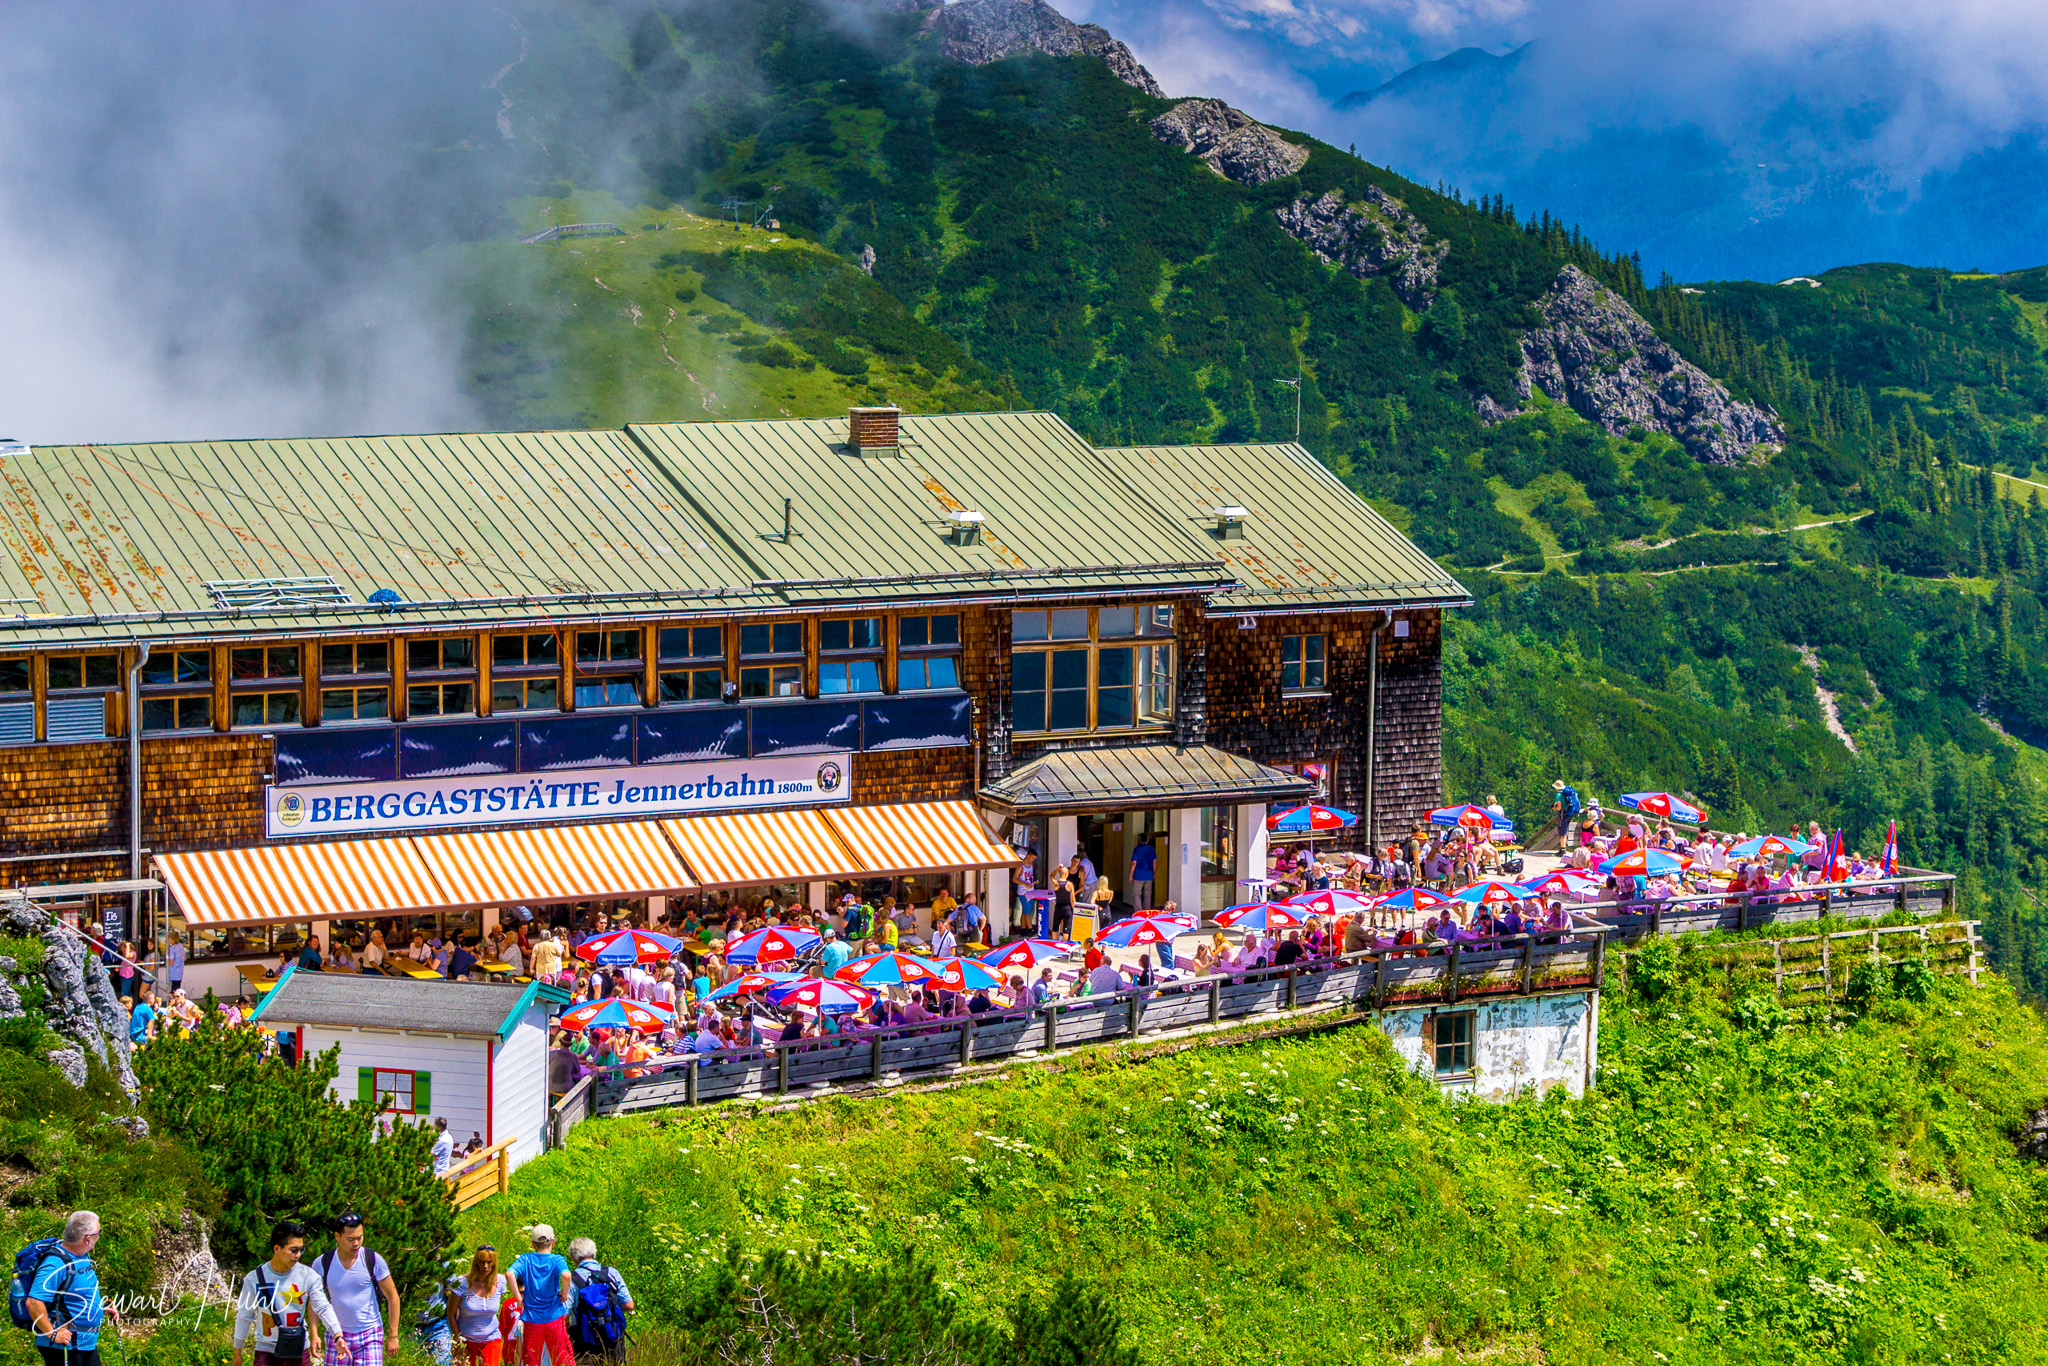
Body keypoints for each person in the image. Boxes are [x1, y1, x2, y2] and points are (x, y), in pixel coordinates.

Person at [234, 1219, 348, 1366]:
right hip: (266, 1351)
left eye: (301, 1249)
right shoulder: (254, 1279)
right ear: (276, 1249)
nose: (298, 1254)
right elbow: (245, 1315)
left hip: (298, 1349)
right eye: (294, 1250)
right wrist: (237, 1351)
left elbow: (323, 1307)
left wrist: (338, 1335)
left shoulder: (309, 1276)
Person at [24, 1210, 117, 1366]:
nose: (99, 1237)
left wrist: (101, 1310)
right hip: (65, 1346)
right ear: (88, 1239)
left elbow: (73, 1295)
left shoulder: (82, 1255)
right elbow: (33, 1302)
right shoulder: (55, 1264)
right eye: (98, 1233)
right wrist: (52, 1334)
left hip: (85, 1343)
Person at [315, 1212, 402, 1366]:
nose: (356, 1243)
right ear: (337, 1237)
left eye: (360, 1237)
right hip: (337, 1334)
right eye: (350, 1239)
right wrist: (314, 1334)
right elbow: (314, 1301)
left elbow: (393, 1297)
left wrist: (393, 1335)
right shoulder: (323, 1262)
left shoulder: (373, 1259)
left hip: (370, 1333)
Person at [509, 1226, 574, 1366]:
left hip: (532, 1319)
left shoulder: (525, 1259)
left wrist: (519, 1298)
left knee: (532, 1358)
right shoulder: (557, 1260)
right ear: (553, 1242)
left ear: (533, 1243)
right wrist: (564, 1293)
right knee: (561, 1356)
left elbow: (509, 1274)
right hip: (554, 1317)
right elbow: (566, 1275)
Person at [565, 1238, 633, 1365]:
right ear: (594, 1254)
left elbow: (564, 1315)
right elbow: (629, 1305)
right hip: (611, 1336)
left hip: (583, 1342)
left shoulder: (572, 1279)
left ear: (573, 1258)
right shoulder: (612, 1273)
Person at [447, 1245, 516, 1366]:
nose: (485, 1266)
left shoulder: (500, 1282)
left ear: (494, 1263)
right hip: (465, 1339)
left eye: (489, 1262)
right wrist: (459, 1342)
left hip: (491, 1338)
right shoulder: (462, 1283)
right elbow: (451, 1314)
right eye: (482, 1262)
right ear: (476, 1263)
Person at [1128, 836, 1157, 912]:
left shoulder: (1137, 849)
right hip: (1149, 874)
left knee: (1137, 894)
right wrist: (1154, 874)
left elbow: (1134, 863)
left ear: (1140, 840)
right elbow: (1154, 863)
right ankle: (1147, 911)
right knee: (1147, 894)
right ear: (1148, 839)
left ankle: (1138, 911)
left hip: (1138, 875)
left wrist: (1130, 874)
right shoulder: (1152, 849)